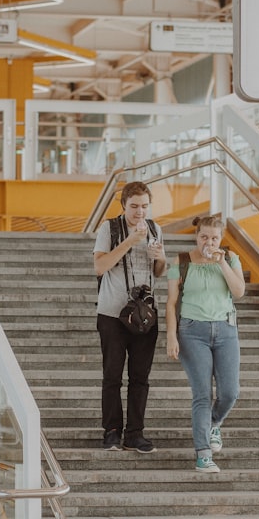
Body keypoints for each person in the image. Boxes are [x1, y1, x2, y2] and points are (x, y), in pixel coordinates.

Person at [165, 214, 246, 473]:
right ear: (196, 237)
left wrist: (222, 263)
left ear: (220, 239)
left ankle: (213, 424)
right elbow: (170, 303)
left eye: (214, 238)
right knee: (202, 394)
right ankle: (203, 454)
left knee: (230, 392)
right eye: (204, 237)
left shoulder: (231, 259)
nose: (208, 242)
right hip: (192, 332)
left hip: (226, 330)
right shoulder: (181, 261)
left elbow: (238, 292)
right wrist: (171, 335)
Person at [93, 181, 167, 453]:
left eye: (144, 206)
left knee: (140, 377)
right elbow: (100, 266)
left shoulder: (156, 229)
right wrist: (129, 241)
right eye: (134, 206)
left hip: (145, 314)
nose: (139, 212)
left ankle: (135, 433)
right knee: (112, 374)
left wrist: (159, 258)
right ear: (124, 205)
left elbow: (159, 272)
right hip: (113, 312)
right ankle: (112, 431)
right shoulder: (109, 228)